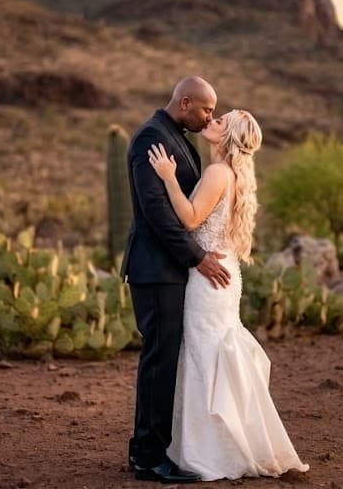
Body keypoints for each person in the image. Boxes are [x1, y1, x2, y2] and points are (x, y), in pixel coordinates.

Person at [148, 109, 309, 481]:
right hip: (223, 274)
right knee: (212, 354)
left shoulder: (217, 173)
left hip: (208, 280)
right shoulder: (231, 174)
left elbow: (189, 219)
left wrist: (169, 178)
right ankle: (222, 444)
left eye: (221, 121)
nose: (212, 121)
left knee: (204, 357)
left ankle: (209, 452)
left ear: (229, 136)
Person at [121, 76, 232, 484]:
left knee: (163, 359)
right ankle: (150, 458)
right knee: (159, 360)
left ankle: (144, 452)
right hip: (156, 270)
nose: (210, 117)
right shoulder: (152, 137)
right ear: (185, 102)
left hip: (169, 269)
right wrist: (197, 258)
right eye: (205, 109)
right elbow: (156, 212)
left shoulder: (176, 135)